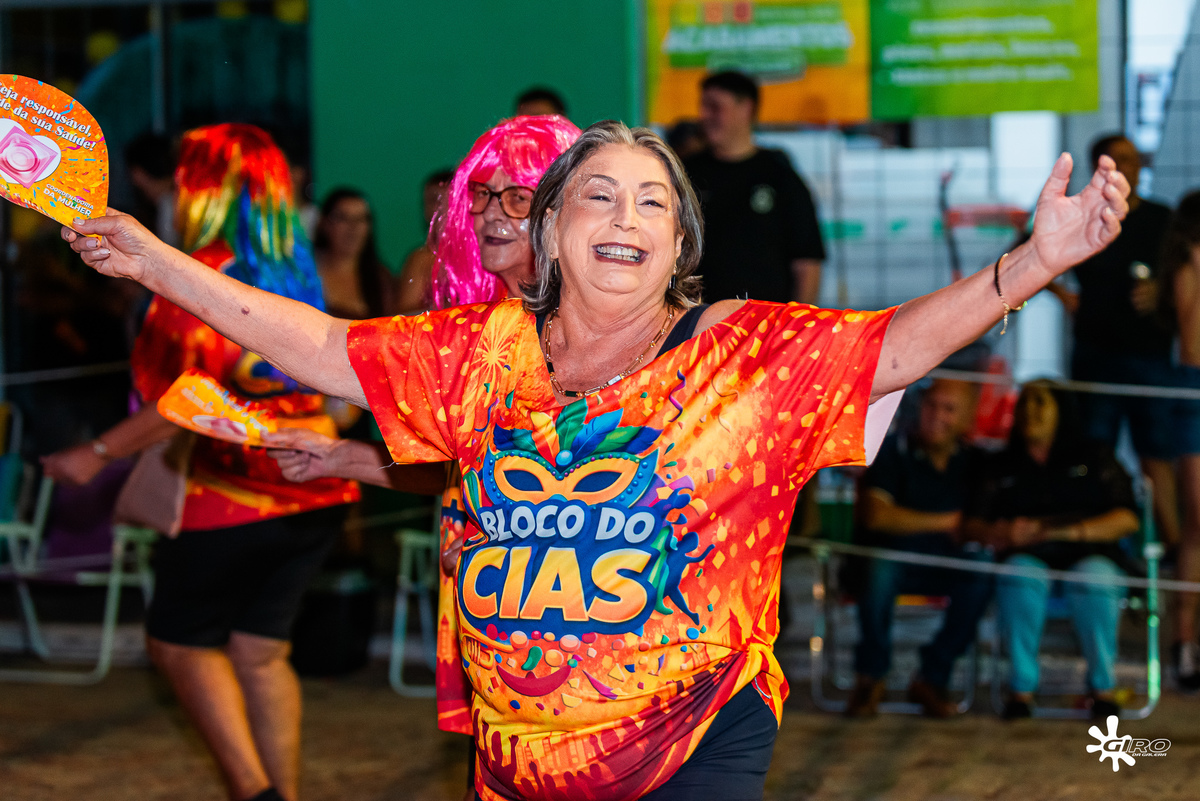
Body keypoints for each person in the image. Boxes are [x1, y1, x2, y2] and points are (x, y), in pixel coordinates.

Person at [62, 119, 1128, 800]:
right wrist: (157, 262)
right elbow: (321, 345)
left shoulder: (738, 350)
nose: (628, 216)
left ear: (680, 245)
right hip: (515, 756)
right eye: (600, 195)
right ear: (553, 230)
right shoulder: (478, 352)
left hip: (692, 735)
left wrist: (1034, 262)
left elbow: (894, 345)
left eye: (654, 201)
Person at [267, 115, 583, 791]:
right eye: (483, 195)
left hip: (573, 633)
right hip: (488, 610)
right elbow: (456, 469)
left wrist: (511, 543)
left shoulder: (589, 336)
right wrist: (338, 457)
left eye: (517, 197)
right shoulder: (481, 326)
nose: (490, 214)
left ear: (565, 212)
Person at [45, 124, 359, 801]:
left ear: (203, 187)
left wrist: (95, 453)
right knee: (259, 651)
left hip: (233, 492)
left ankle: (256, 794)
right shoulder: (295, 268)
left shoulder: (195, 272)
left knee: (180, 642)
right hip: (318, 488)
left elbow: (184, 397)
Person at [963, 382, 1140, 720]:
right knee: (1018, 575)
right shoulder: (1000, 464)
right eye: (1024, 402)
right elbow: (971, 524)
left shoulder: (1094, 456)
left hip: (1090, 551)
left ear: (1062, 409)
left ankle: (1102, 687)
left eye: (1041, 402)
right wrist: (1002, 532)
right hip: (1026, 555)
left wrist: (1065, 532)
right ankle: (1021, 689)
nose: (1030, 411)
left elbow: (1127, 517)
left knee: (1095, 578)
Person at [1048, 134, 1176, 545]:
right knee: (1093, 454)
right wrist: (1063, 295)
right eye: (1120, 159)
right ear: (1100, 167)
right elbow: (1028, 252)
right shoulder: (1083, 216)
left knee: (1157, 455)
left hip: (1149, 354)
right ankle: (1098, 544)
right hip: (1095, 354)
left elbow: (1186, 273)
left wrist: (1162, 293)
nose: (1130, 167)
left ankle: (1173, 549)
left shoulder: (1162, 219)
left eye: (1134, 160)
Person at [847, 379, 993, 719]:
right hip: (893, 560)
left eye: (949, 408)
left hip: (949, 563)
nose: (936, 416)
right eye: (931, 405)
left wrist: (912, 520)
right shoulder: (891, 450)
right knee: (880, 566)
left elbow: (979, 526)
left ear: (967, 418)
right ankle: (871, 676)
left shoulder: (976, 462)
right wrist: (948, 522)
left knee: (983, 567)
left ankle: (933, 676)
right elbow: (877, 517)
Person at [684, 71, 825, 304]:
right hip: (699, 318)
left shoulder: (780, 176)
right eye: (703, 107)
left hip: (766, 320)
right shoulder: (687, 174)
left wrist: (798, 319)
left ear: (746, 108)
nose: (704, 116)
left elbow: (807, 260)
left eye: (715, 107)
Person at [1154, 190, 1200, 689]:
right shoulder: (1187, 267)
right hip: (1194, 388)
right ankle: (1184, 641)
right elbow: (1191, 338)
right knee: (1197, 522)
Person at [313, 187, 396, 319]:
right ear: (324, 223)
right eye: (342, 218)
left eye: (361, 219)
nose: (353, 227)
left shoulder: (381, 278)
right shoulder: (305, 271)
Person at [395, 169, 454, 314]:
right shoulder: (421, 259)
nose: (439, 208)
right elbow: (406, 314)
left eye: (447, 199)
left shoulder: (481, 256)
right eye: (433, 201)